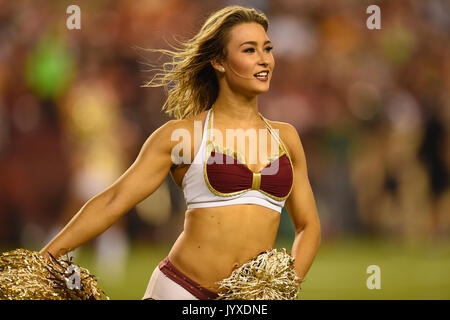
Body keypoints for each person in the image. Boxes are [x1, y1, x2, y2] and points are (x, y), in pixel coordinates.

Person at [40, 5, 321, 300]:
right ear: (219, 62)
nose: (264, 59)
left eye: (267, 48)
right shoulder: (182, 136)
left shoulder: (286, 137)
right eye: (249, 50)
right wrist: (46, 257)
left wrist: (281, 287)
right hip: (180, 290)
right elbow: (114, 199)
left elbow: (308, 225)